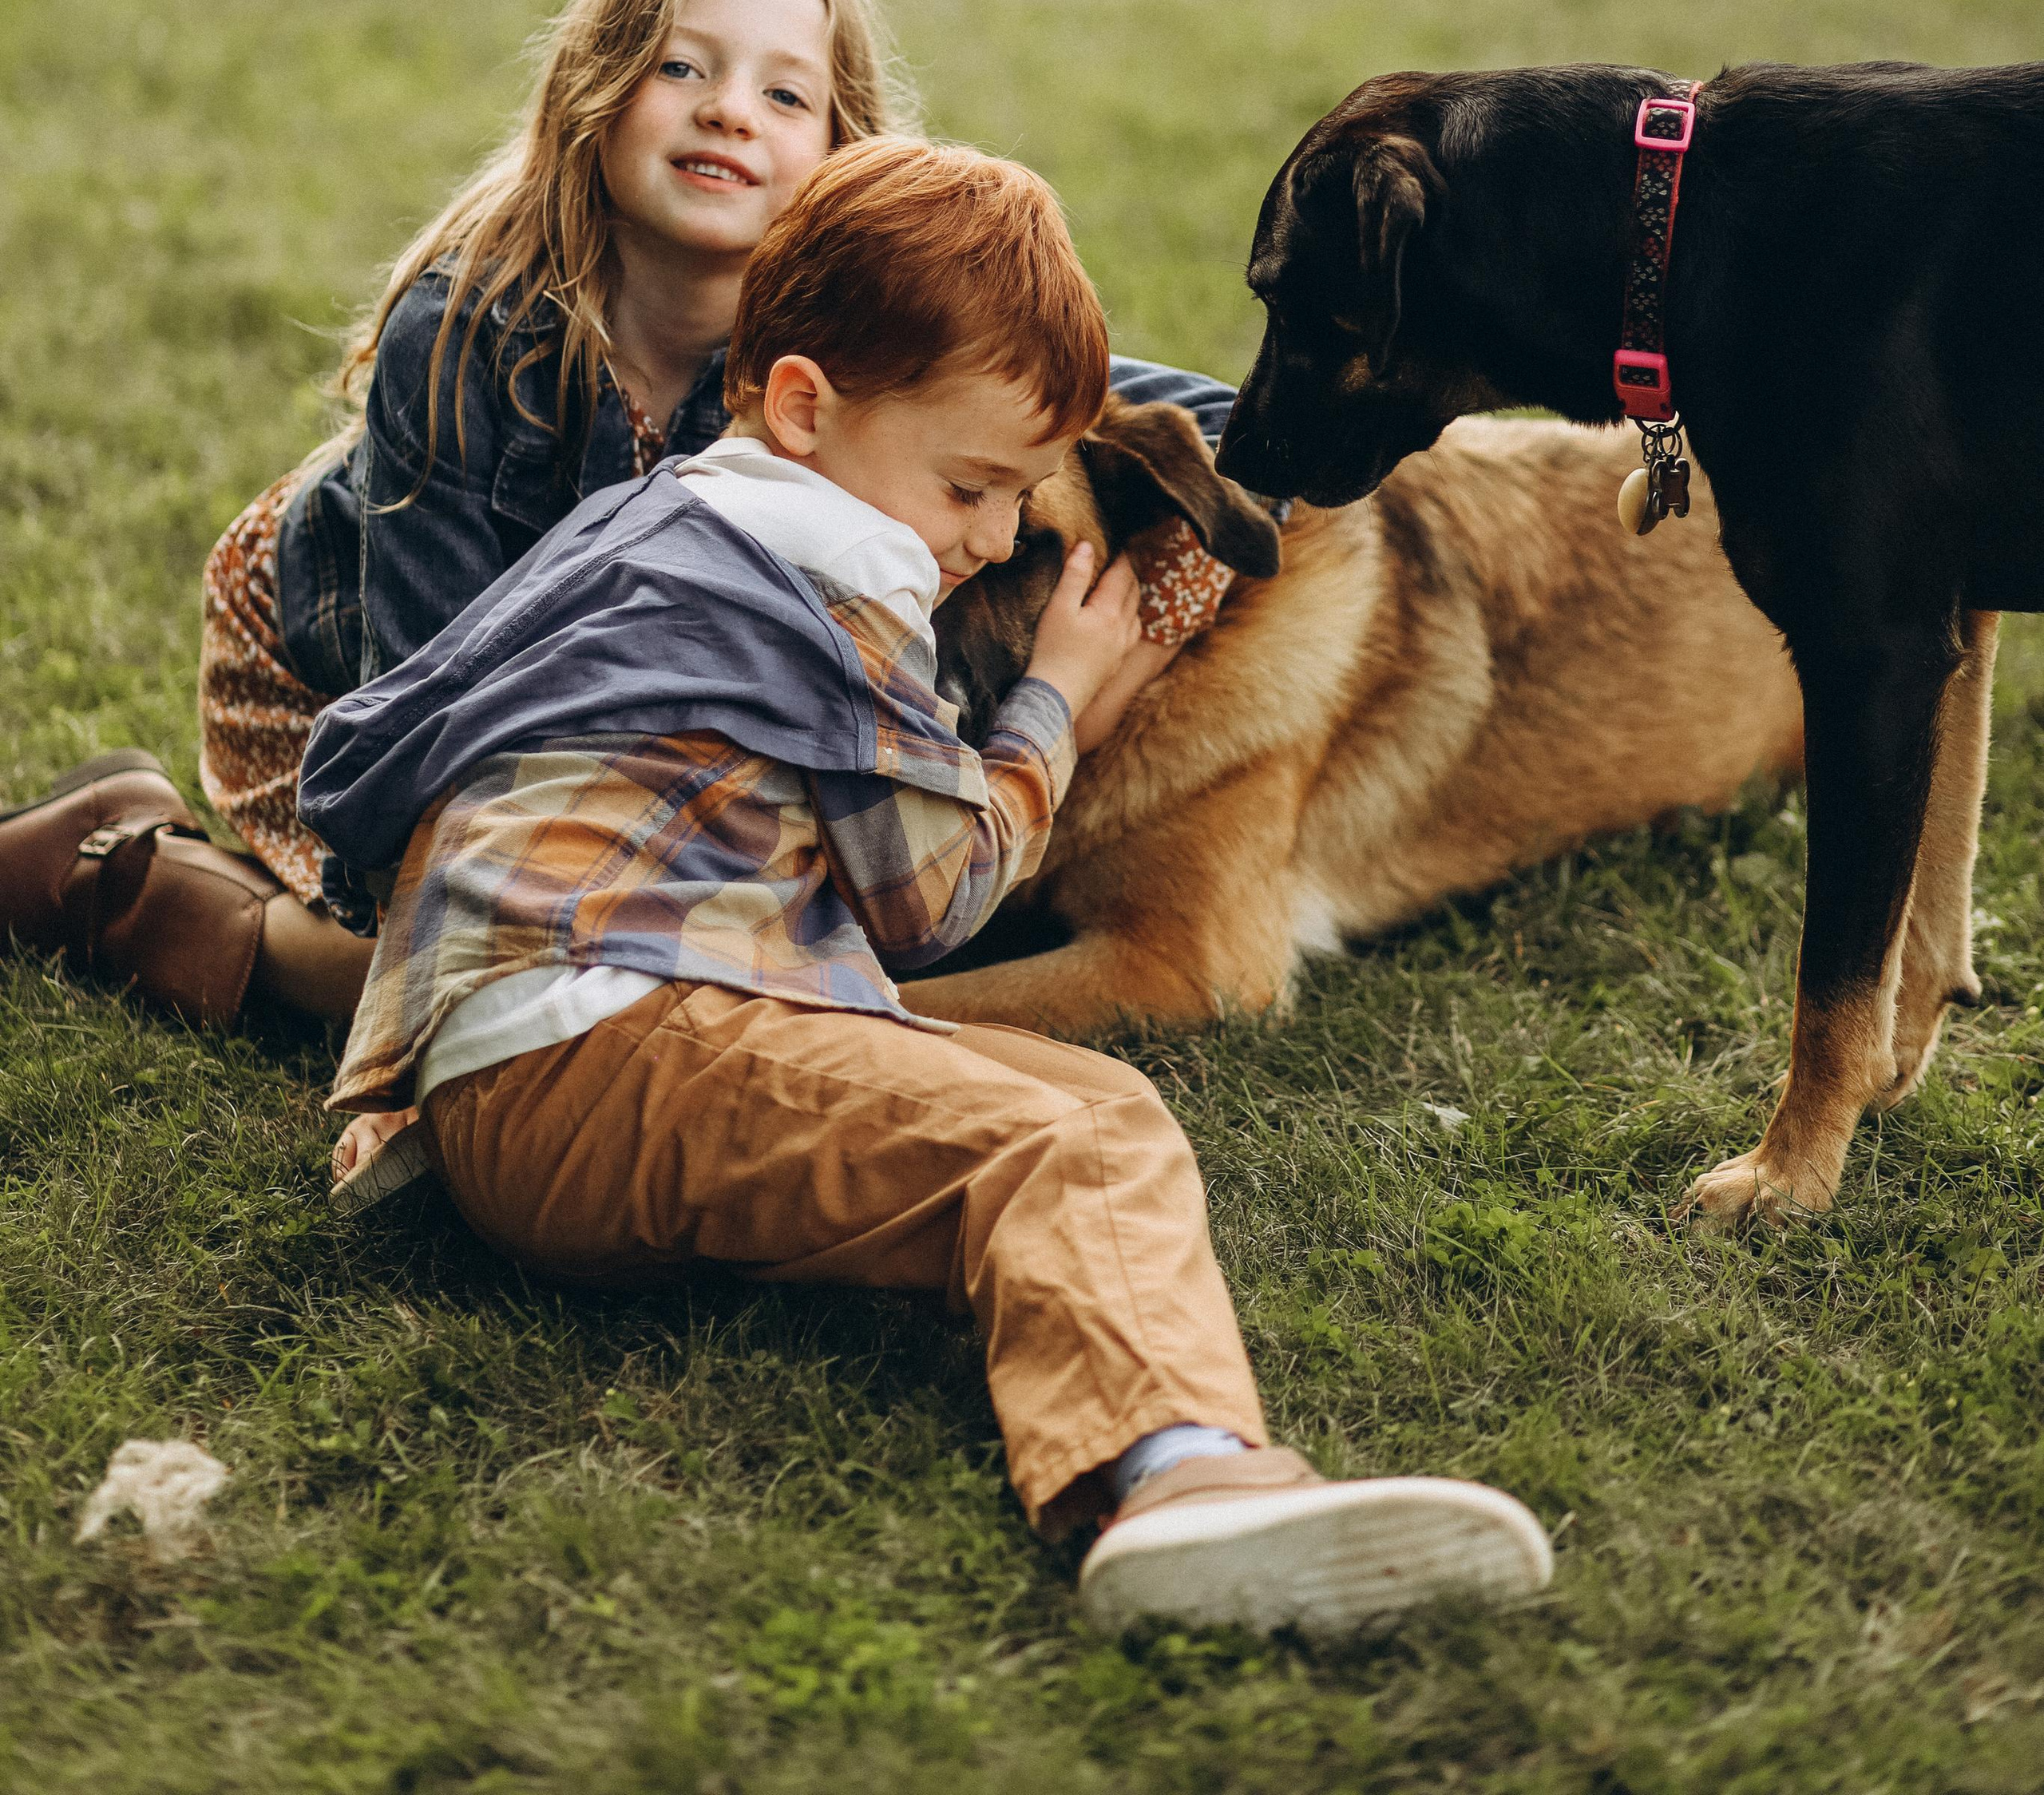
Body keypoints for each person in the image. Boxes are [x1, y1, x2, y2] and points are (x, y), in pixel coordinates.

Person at [299, 140, 1553, 1639]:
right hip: (614, 1042)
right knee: (1066, 1154)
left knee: (1103, 1109)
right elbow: (935, 901)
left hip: (523, 1047)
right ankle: (1178, 1483)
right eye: (974, 488)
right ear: (809, 408)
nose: (996, 538)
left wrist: (410, 1062)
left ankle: (480, 1141)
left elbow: (394, 732)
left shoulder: (657, 519)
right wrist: (1062, 705)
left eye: (1024, 498)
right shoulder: (844, 585)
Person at [0, 0, 1227, 1030]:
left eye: (786, 97)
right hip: (358, 671)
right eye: (681, 68)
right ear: (592, 96)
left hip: (596, 696)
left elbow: (1217, 431)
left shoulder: (863, 345)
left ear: (849, 160)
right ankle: (141, 888)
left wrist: (1128, 647)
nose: (730, 110)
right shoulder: (470, 333)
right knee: (521, 975)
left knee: (695, 941)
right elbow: (439, 718)